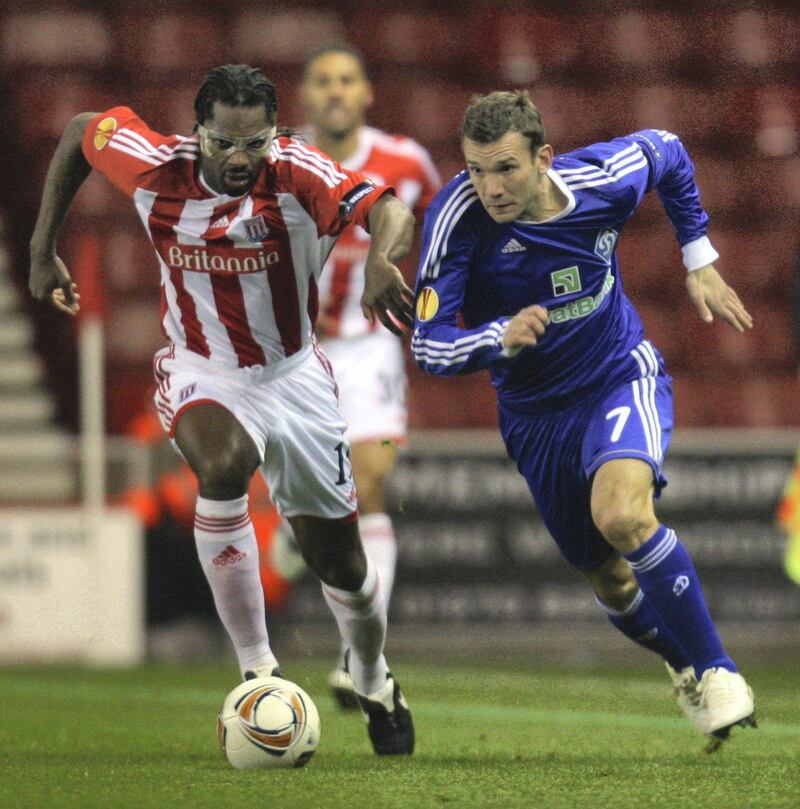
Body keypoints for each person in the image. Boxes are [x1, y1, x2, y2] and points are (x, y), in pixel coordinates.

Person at [28, 63, 416, 755]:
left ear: (275, 134)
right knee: (223, 464)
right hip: (201, 367)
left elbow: (390, 207)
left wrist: (384, 258)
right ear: (197, 131)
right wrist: (42, 245)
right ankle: (257, 672)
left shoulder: (297, 171)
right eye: (224, 144)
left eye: (255, 144)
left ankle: (374, 672)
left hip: (295, 378)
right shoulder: (152, 165)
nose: (240, 159)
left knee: (343, 567)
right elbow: (82, 132)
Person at [412, 90, 756, 750]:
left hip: (617, 375)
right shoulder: (457, 216)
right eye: (477, 169)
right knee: (610, 576)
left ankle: (718, 669)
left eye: (506, 168)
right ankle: (684, 661)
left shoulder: (601, 180)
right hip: (535, 416)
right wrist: (495, 337)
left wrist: (699, 256)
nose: (490, 187)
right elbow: (428, 343)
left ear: (544, 158)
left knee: (623, 514)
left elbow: (668, 150)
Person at [270, 43, 442, 707]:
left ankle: (358, 652)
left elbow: (443, 225)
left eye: (347, 79)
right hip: (292, 351)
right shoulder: (280, 161)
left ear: (367, 92)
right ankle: (291, 539)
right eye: (322, 81)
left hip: (369, 346)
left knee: (369, 479)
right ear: (306, 96)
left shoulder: (406, 161)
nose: (336, 91)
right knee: (307, 506)